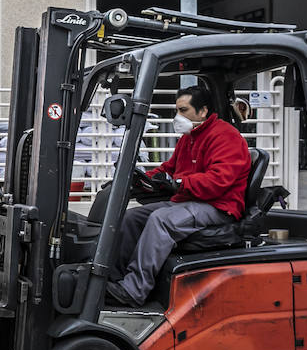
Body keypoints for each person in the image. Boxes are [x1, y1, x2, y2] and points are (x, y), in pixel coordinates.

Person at [107, 85, 252, 307]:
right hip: (190, 201)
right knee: (132, 218)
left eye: (183, 110)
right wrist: (142, 179)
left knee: (161, 221)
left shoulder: (226, 136)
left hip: (218, 206)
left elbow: (218, 181)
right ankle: (112, 279)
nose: (178, 116)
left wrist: (180, 183)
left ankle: (134, 289)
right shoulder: (190, 137)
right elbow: (170, 168)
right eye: (177, 110)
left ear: (202, 111)